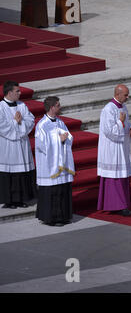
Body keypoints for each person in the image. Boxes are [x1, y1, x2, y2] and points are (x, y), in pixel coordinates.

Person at [35, 96, 74, 226]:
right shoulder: (42, 125)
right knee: (53, 191)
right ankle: (52, 218)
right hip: (49, 166)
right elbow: (41, 145)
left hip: (61, 163)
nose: (60, 107)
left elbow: (68, 136)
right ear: (52, 107)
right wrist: (59, 140)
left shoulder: (60, 122)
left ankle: (64, 216)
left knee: (62, 189)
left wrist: (65, 139)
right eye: (58, 105)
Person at [97, 84, 131, 216]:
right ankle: (116, 205)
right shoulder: (108, 109)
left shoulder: (123, 107)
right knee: (114, 177)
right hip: (112, 149)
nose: (128, 97)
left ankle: (123, 203)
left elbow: (127, 123)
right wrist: (120, 122)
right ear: (117, 94)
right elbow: (109, 131)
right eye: (125, 95)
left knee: (122, 175)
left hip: (122, 147)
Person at [0, 81, 37, 209]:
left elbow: (30, 120)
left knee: (21, 173)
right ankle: (9, 200)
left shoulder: (22, 105)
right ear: (9, 93)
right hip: (8, 146)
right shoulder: (1, 107)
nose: (20, 93)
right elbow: (2, 126)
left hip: (21, 143)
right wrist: (16, 122)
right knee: (9, 173)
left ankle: (21, 199)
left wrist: (20, 123)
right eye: (17, 91)